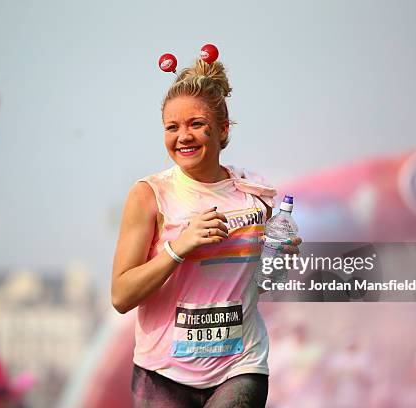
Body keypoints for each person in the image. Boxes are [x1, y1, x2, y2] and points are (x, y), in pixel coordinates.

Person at [111, 56, 301, 407]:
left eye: (196, 124)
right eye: (172, 127)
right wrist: (177, 248)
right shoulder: (149, 196)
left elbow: (263, 284)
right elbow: (121, 296)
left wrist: (282, 259)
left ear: (224, 129)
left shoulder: (255, 195)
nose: (183, 136)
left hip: (240, 366)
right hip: (162, 372)